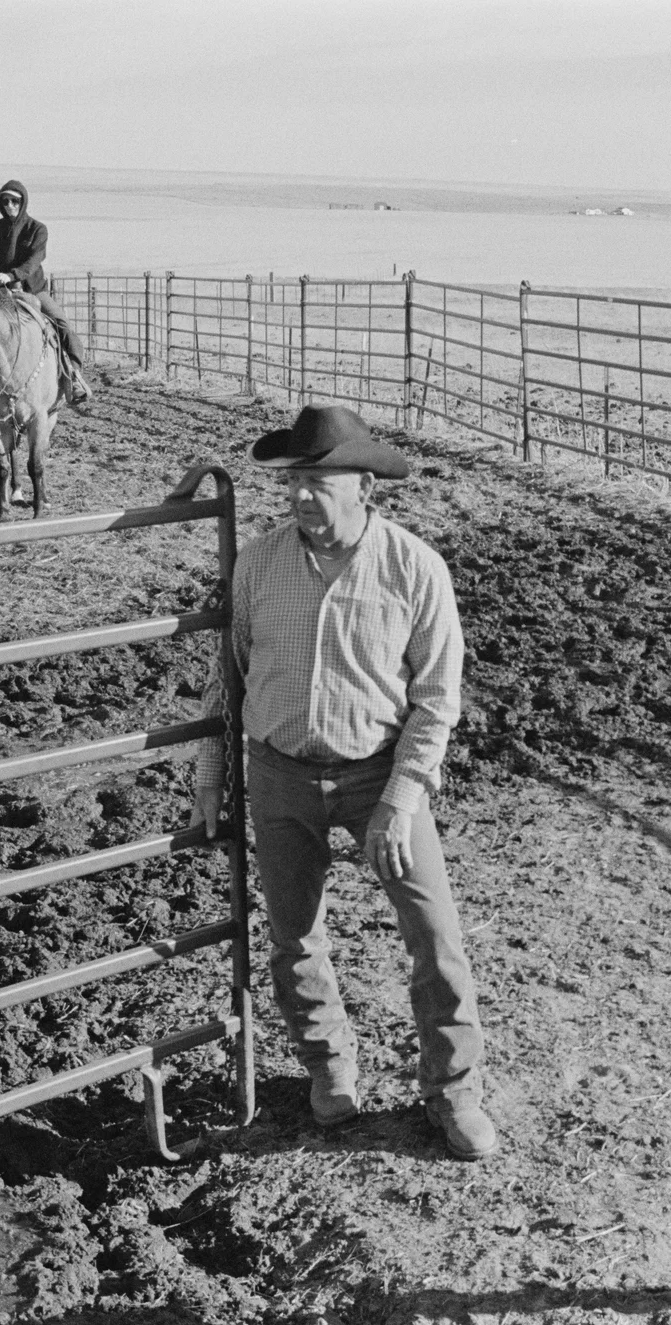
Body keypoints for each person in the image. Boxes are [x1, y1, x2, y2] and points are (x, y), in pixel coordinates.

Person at [191, 404, 497, 1161]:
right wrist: (209, 776)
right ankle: (330, 1070)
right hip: (279, 772)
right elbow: (225, 678)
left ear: (365, 487)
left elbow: (437, 699)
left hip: (379, 776)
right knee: (293, 935)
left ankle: (454, 1092)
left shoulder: (413, 567)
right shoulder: (258, 564)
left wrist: (401, 799)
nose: (300, 496)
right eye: (294, 481)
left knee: (436, 938)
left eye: (319, 482)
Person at [0, 179, 92, 406]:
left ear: (23, 202)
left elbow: (34, 260)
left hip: (33, 290)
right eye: (5, 201)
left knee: (61, 324)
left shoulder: (37, 229)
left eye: (14, 201)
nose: (10, 205)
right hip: (1, 292)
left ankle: (74, 376)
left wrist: (12, 275)